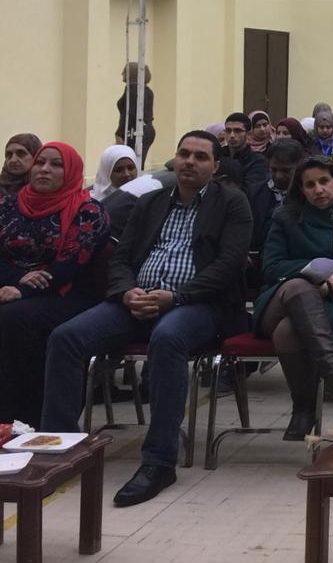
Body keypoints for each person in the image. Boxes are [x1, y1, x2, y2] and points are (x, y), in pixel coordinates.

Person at [43, 131, 252, 507]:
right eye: (184, 154)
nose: (190, 162)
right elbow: (121, 258)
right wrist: (127, 292)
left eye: (200, 157)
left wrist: (177, 297)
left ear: (215, 166)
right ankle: (59, 449)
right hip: (136, 301)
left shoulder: (232, 203)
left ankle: (158, 461)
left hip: (198, 305)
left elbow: (228, 265)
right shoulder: (152, 202)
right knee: (66, 337)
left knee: (168, 338)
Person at [253, 155, 333, 439]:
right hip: (279, 300)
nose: (318, 189)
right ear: (301, 189)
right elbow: (270, 268)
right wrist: (316, 272)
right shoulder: (285, 217)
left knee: (288, 332)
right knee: (300, 287)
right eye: (310, 185)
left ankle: (303, 408)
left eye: (324, 181)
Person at [0, 144, 107, 426]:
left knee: (12, 318)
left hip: (70, 294)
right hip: (12, 287)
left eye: (56, 165)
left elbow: (69, 264)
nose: (45, 169)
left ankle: (23, 417)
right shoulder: (9, 206)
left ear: (70, 171)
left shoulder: (88, 211)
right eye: (40, 162)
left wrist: (21, 290)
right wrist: (16, 279)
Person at [248, 139, 307, 293]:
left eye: (286, 171)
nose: (278, 176)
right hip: (259, 268)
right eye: (273, 170)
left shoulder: (309, 196)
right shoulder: (253, 193)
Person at [115, 62, 156, 166]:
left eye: (125, 72)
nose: (122, 74)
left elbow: (129, 113)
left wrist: (119, 133)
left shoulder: (132, 89)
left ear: (132, 73)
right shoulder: (148, 90)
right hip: (147, 129)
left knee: (130, 163)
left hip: (135, 130)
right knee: (136, 163)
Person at [224, 112, 270, 194]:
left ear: (248, 134)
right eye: (228, 131)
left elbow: (250, 190)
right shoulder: (218, 155)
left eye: (238, 131)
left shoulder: (257, 161)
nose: (232, 135)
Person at [1, 133, 41, 199]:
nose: (13, 160)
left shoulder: (45, 188)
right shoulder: (2, 186)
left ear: (35, 156)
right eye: (9, 154)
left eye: (21, 153)